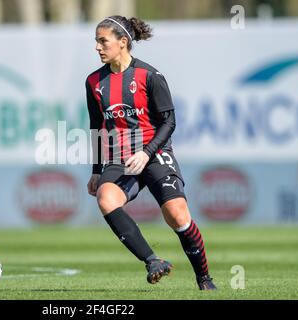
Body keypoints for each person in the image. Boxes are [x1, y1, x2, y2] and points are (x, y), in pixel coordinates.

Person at [85, 15, 217, 290]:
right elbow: (96, 125)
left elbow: (169, 122)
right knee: (106, 199)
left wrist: (146, 152)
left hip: (154, 153)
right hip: (121, 157)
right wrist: (97, 171)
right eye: (96, 42)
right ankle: (152, 261)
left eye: (102, 41)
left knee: (177, 214)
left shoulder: (150, 76)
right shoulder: (94, 82)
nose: (97, 47)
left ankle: (204, 279)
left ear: (123, 42)